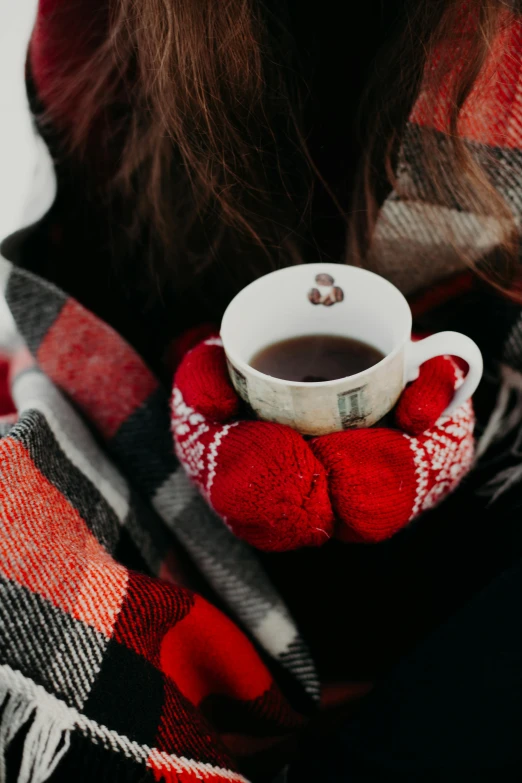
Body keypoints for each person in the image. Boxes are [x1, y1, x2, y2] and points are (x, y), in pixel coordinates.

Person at [2, 0, 522, 780]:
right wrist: (197, 413)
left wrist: (444, 431)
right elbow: (102, 268)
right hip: (197, 519)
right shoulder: (116, 21)